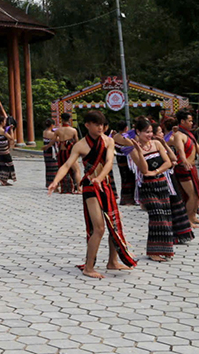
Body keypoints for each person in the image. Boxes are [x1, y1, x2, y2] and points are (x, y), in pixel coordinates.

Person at [49, 110, 137, 278]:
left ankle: (112, 262)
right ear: (87, 125)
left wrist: (101, 178)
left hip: (105, 185)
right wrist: (55, 181)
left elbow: (110, 162)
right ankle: (89, 267)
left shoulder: (108, 141)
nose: (100, 127)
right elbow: (67, 165)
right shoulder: (80, 145)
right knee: (99, 228)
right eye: (96, 124)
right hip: (90, 187)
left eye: (102, 124)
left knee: (114, 225)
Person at [127, 117, 174, 262]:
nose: (149, 135)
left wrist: (157, 171)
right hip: (147, 187)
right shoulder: (133, 150)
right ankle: (153, 251)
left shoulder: (157, 144)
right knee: (157, 217)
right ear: (138, 132)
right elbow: (144, 169)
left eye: (151, 132)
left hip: (161, 184)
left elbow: (168, 162)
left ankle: (165, 250)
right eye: (146, 132)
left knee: (165, 217)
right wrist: (139, 151)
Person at [170, 108, 199, 226]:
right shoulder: (178, 135)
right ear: (182, 121)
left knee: (196, 193)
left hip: (192, 168)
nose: (192, 123)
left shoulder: (189, 134)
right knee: (192, 195)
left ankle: (192, 216)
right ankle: (188, 220)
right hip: (183, 168)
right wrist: (184, 160)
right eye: (189, 121)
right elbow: (180, 149)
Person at [157, 120, 194, 244]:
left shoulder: (166, 141)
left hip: (170, 178)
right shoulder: (156, 144)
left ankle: (181, 232)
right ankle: (169, 234)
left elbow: (173, 158)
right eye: (159, 132)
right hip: (160, 180)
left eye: (162, 132)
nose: (162, 134)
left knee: (176, 204)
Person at [54, 113, 81, 193]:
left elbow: (53, 140)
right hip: (70, 152)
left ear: (61, 119)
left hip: (62, 152)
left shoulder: (58, 130)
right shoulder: (73, 130)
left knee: (60, 169)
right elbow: (77, 142)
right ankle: (79, 188)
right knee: (76, 170)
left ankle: (56, 187)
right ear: (69, 119)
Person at [111, 125, 138, 205]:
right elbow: (133, 145)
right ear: (126, 128)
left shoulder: (115, 136)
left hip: (119, 159)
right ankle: (129, 199)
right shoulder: (125, 138)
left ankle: (124, 198)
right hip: (126, 159)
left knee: (123, 178)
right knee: (129, 178)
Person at [0, 117, 16, 186]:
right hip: (4, 150)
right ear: (1, 122)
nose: (5, 122)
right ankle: (3, 180)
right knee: (9, 164)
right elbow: (11, 138)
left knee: (3, 165)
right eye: (4, 121)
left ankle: (3, 180)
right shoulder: (1, 130)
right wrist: (11, 130)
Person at [42, 119, 58, 189]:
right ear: (52, 125)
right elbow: (58, 139)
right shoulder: (52, 134)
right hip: (52, 152)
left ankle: (48, 182)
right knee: (54, 167)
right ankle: (53, 182)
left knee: (48, 167)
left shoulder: (44, 132)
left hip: (46, 152)